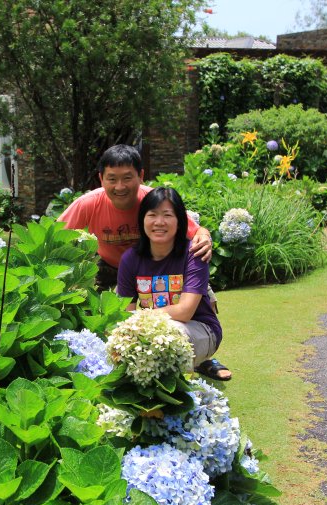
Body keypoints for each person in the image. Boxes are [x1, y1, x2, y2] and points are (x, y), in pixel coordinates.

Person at [58, 144, 212, 289]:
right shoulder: (87, 204)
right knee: (87, 305)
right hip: (108, 265)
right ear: (101, 179)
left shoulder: (154, 200)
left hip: (153, 263)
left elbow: (195, 230)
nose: (119, 187)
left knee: (196, 301)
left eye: (127, 178)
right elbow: (55, 235)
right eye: (112, 179)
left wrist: (204, 238)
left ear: (141, 176)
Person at [116, 186, 231, 381]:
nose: (159, 222)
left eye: (167, 215)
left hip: (199, 329)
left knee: (169, 335)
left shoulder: (194, 254)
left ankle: (181, 397)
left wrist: (141, 318)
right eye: (152, 215)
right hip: (149, 331)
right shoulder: (130, 259)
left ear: (179, 222)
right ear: (142, 220)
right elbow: (125, 313)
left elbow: (185, 311)